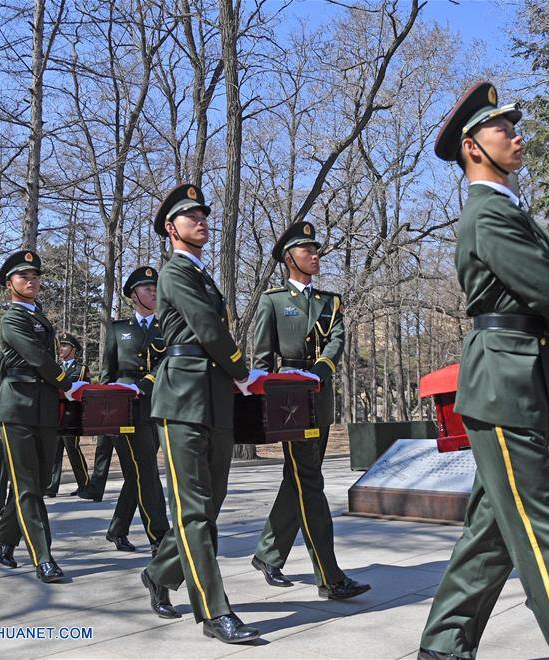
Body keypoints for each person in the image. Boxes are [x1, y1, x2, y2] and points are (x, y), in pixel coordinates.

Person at [418, 82, 549, 660]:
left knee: (493, 530)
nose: (517, 134)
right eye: (504, 128)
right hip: (505, 382)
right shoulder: (488, 215)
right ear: (473, 147)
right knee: (541, 528)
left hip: (518, 378)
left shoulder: (505, 210)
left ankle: (444, 644)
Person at [139, 183, 264, 644]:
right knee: (194, 511)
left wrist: (232, 379)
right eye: (192, 216)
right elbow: (207, 327)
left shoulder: (203, 275)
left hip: (215, 398)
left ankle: (158, 572)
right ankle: (215, 612)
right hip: (184, 399)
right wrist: (241, 371)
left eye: (205, 215)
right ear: (172, 228)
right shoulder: (175, 272)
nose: (202, 221)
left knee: (209, 505)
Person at [249, 221, 370, 600]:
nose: (316, 256)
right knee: (308, 481)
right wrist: (266, 403)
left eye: (316, 250)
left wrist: (322, 370)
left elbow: (336, 340)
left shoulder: (330, 302)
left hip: (320, 394)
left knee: (302, 477)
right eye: (308, 251)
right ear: (290, 258)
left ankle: (268, 554)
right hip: (287, 400)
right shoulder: (272, 300)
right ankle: (329, 576)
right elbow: (263, 356)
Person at [0, 250, 87, 582]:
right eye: (23, 277)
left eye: (35, 277)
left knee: (36, 483)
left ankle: (5, 537)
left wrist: (59, 388)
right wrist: (66, 383)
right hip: (17, 406)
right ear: (9, 285)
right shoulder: (12, 318)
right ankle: (43, 557)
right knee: (29, 487)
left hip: (45, 407)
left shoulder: (42, 318)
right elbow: (34, 355)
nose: (31, 282)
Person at [99, 267, 170, 554]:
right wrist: (104, 413)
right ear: (133, 295)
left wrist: (147, 383)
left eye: (156, 289)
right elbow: (107, 373)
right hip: (124, 411)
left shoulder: (166, 326)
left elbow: (168, 364)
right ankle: (160, 537)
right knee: (146, 471)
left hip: (156, 404)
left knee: (138, 472)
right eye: (147, 289)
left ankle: (117, 528)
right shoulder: (119, 329)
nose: (153, 293)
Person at [45, 333, 91, 498]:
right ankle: (51, 486)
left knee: (73, 450)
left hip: (72, 415)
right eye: (60, 346)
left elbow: (72, 387)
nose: (61, 349)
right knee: (54, 451)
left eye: (64, 346)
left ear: (73, 349)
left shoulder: (81, 369)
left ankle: (84, 484)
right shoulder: (55, 367)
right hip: (55, 414)